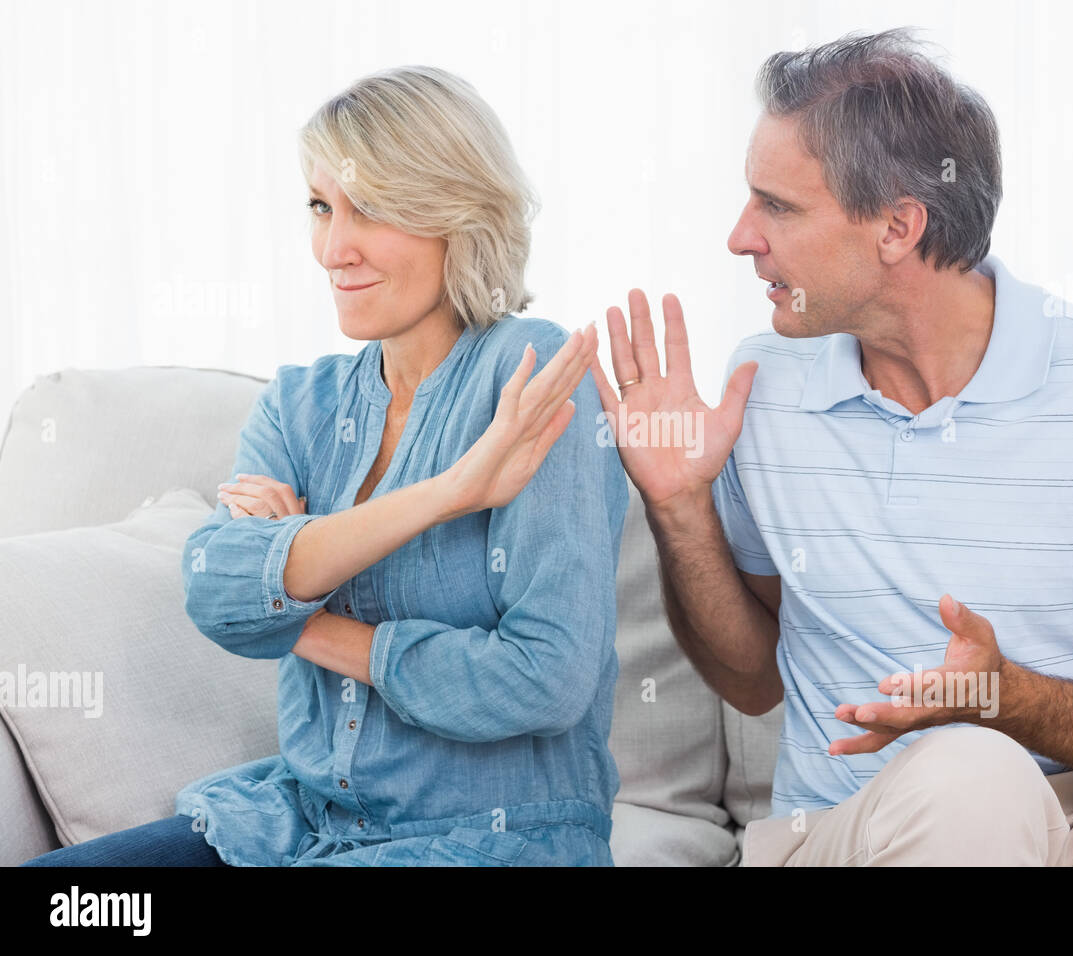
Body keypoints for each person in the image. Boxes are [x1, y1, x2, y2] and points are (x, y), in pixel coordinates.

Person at [589, 27, 1073, 865]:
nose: (742, 238)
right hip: (848, 833)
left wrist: (1009, 699)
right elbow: (751, 679)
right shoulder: (769, 383)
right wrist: (679, 510)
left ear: (898, 226)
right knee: (973, 776)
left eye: (777, 206)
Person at [25, 65, 627, 868]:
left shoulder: (533, 375)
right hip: (296, 819)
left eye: (368, 210)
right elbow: (214, 592)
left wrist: (296, 611)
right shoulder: (300, 402)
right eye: (321, 207)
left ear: (457, 214)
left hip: (490, 838)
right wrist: (449, 494)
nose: (332, 249)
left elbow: (544, 679)